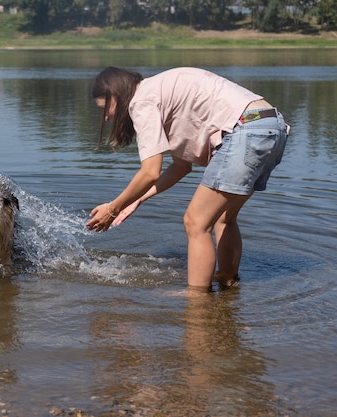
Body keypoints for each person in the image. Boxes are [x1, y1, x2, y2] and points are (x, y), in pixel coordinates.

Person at [86, 67, 288, 292]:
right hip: (271, 126)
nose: (106, 117)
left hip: (246, 131)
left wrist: (113, 208)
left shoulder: (141, 101)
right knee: (223, 217)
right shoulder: (160, 89)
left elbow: (150, 171)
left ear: (117, 94)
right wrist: (138, 199)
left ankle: (197, 300)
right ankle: (228, 283)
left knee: (196, 222)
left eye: (106, 109)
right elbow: (181, 167)